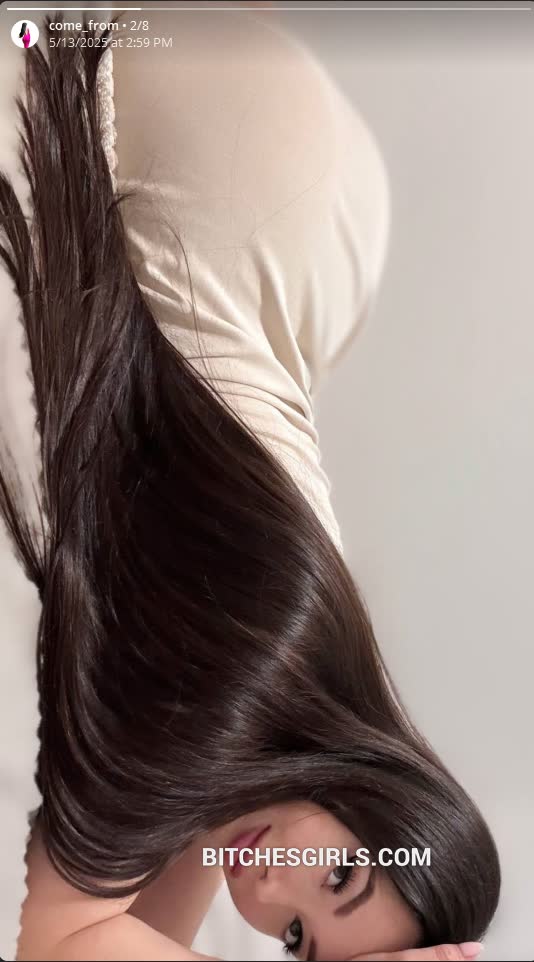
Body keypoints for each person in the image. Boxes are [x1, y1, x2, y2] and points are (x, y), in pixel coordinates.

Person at [0, 10, 499, 961]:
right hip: (247, 163)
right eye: (340, 877)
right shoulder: (236, 683)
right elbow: (60, 945)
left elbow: (141, 918)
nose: (270, 892)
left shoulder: (279, 710)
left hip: (324, 232)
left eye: (297, 940)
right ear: (389, 796)